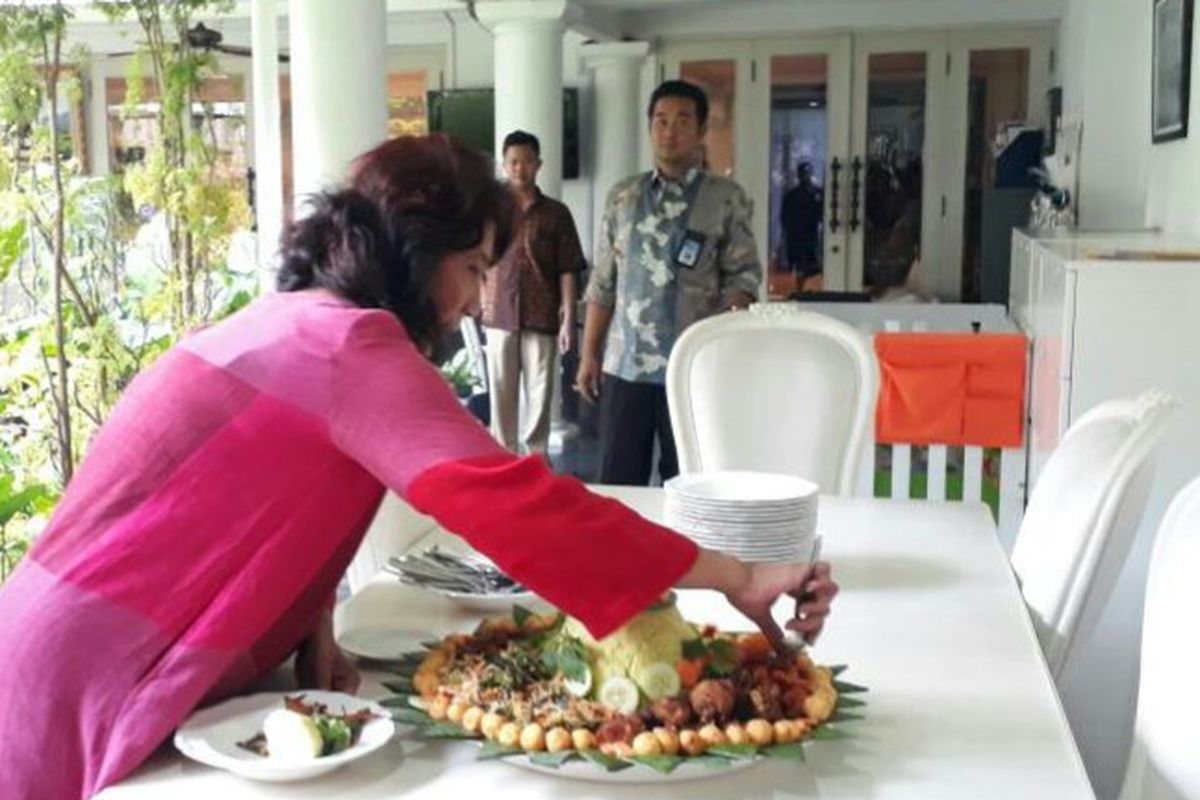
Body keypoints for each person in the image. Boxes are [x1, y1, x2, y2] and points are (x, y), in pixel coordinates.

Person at [0, 134, 836, 800]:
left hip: (53, 643)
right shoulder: (350, 345)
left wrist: (311, 628)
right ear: (413, 249)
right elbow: (515, 507)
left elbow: (283, 498)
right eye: (473, 270)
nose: (477, 301)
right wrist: (735, 572)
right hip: (87, 673)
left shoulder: (297, 323)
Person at [576, 80, 762, 486]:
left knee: (689, 481)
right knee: (617, 481)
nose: (669, 131)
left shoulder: (725, 197)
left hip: (693, 367)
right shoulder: (623, 196)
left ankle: (687, 549)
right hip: (627, 365)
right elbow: (603, 281)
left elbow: (744, 276)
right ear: (649, 128)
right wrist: (590, 353)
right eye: (660, 121)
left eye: (681, 121)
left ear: (700, 131)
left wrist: (723, 343)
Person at [481, 130, 585, 455]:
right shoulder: (491, 213)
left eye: (526, 161)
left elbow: (568, 267)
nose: (519, 169)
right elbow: (476, 259)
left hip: (543, 315)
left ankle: (537, 461)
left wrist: (569, 318)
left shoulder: (556, 213)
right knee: (501, 394)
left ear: (538, 164)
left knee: (540, 394)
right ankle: (503, 458)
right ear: (503, 164)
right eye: (513, 162)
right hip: (498, 314)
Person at [780, 161, 823, 287]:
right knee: (801, 268)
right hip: (798, 238)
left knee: (816, 265)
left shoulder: (818, 193)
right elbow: (785, 217)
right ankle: (800, 289)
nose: (805, 176)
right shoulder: (792, 196)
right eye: (803, 173)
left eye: (807, 173)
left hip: (814, 236)